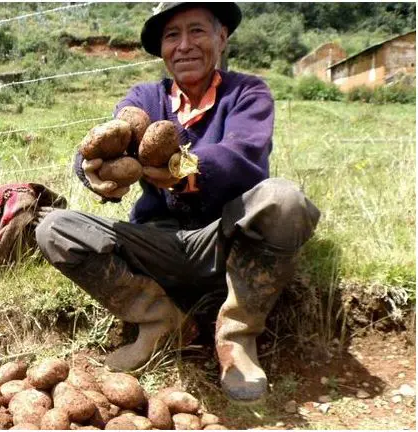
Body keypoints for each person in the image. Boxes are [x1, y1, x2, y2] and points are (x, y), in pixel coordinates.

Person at [36, 3, 321, 402]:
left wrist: (180, 168)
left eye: (197, 32)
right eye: (173, 35)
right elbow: (114, 140)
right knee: (54, 228)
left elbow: (243, 155)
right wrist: (94, 170)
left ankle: (236, 336)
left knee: (286, 200)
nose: (184, 45)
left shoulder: (248, 92)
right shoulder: (144, 98)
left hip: (227, 240)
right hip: (159, 245)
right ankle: (161, 322)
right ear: (161, 48)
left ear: (221, 37)